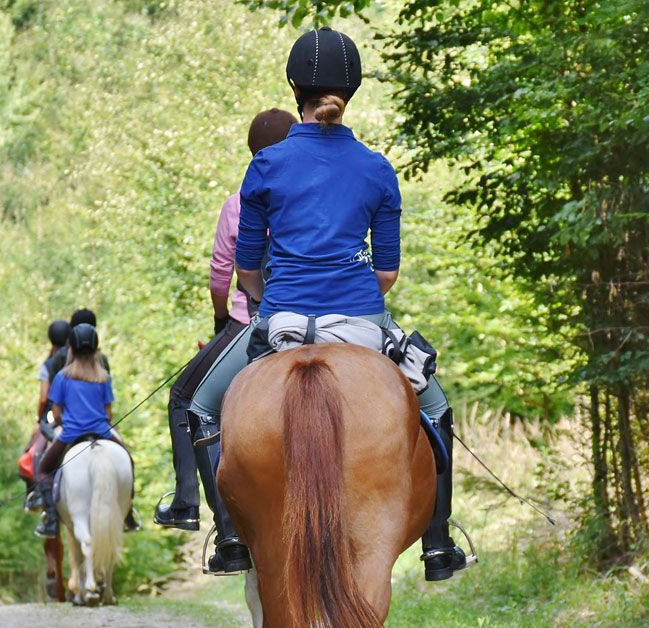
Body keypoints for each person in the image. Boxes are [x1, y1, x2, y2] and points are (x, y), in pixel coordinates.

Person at [187, 28, 471, 581]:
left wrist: (274, 301)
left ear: (295, 88)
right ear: (352, 90)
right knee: (435, 410)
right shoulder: (376, 168)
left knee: (201, 407)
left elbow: (247, 269)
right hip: (362, 320)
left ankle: (229, 539)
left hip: (282, 319)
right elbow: (386, 273)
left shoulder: (266, 165)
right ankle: (438, 544)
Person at [154, 109, 298, 536]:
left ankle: (204, 513)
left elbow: (223, 275)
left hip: (253, 321)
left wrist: (222, 318)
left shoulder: (239, 203)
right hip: (325, 314)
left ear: (253, 152)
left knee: (185, 398)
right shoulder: (310, 196)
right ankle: (435, 531)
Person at [34, 323, 138, 538]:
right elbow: (108, 414)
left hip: (71, 434)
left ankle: (51, 519)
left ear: (70, 348)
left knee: (43, 470)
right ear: (95, 348)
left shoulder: (62, 377)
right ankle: (128, 513)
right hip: (102, 431)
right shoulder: (103, 377)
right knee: (128, 462)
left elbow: (57, 412)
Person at [22, 320, 71, 511]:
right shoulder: (83, 360)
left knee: (35, 453)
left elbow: (44, 397)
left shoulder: (49, 364)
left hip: (55, 414)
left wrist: (39, 419)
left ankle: (37, 495)